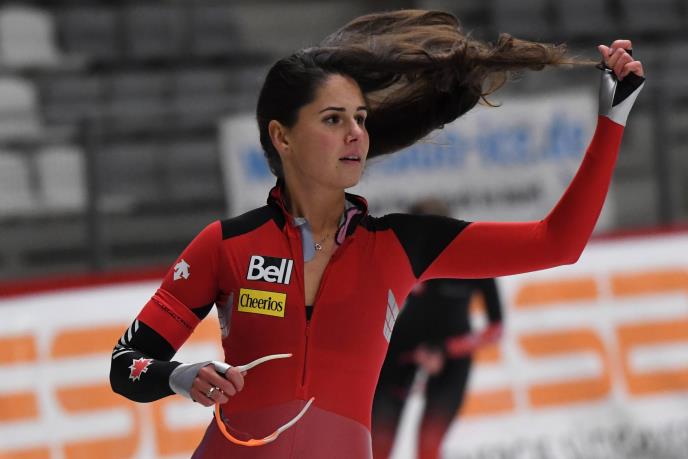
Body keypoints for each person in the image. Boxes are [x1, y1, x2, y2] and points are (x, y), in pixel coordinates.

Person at [109, 9, 645, 459]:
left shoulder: (398, 247)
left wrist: (613, 118)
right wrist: (180, 376)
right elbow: (124, 365)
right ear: (282, 137)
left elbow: (558, 243)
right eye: (333, 120)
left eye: (361, 119)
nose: (356, 135)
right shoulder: (225, 245)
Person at [371, 198, 504, 459]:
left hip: (450, 358)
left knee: (429, 447)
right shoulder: (402, 257)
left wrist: (446, 349)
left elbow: (496, 328)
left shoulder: (474, 258)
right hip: (402, 353)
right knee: (377, 447)